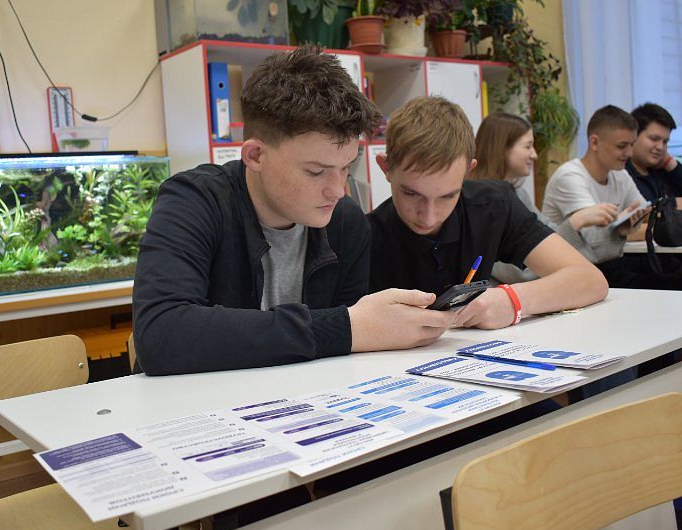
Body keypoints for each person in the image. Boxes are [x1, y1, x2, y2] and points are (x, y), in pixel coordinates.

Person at [133, 46, 454, 376]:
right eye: (316, 171)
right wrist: (346, 327)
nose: (337, 190)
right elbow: (160, 336)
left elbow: (344, 359)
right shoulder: (193, 201)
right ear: (256, 156)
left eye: (346, 167)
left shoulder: (346, 222)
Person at [367, 96, 608, 330]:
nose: (429, 217)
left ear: (468, 171)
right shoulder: (364, 237)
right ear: (386, 167)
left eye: (448, 196)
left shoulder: (493, 205)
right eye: (411, 194)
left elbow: (589, 279)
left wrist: (512, 300)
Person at [472, 112, 620, 282]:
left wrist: (617, 234)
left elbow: (546, 233)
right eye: (528, 146)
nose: (534, 155)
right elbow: (519, 273)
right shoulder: (482, 204)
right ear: (502, 148)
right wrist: (575, 223)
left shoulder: (519, 194)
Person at [542, 105, 664, 289]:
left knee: (670, 276)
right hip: (572, 274)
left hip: (603, 266)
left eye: (631, 145)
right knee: (662, 283)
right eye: (621, 146)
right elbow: (592, 242)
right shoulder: (569, 176)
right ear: (594, 142)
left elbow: (646, 213)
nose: (629, 153)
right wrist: (625, 231)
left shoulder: (619, 173)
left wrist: (631, 227)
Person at [626, 103, 682, 206]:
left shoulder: (663, 172)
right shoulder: (620, 175)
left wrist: (671, 164)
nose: (660, 147)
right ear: (633, 136)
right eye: (654, 139)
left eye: (665, 142)